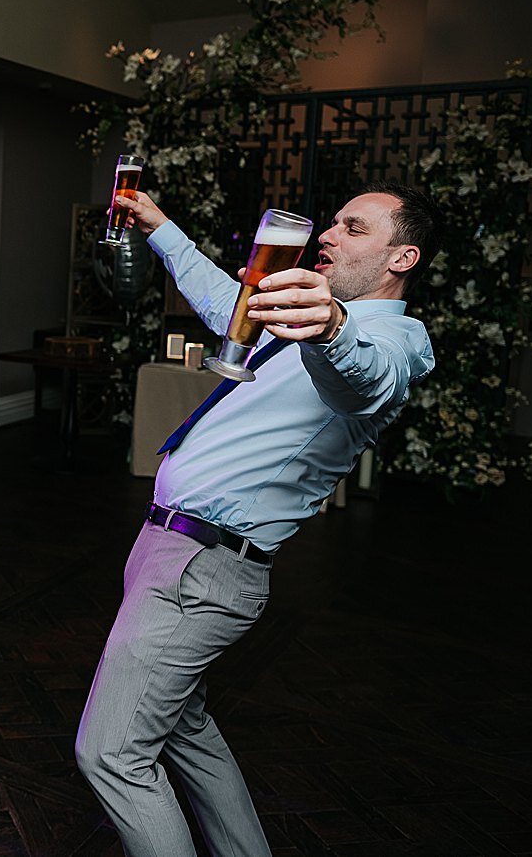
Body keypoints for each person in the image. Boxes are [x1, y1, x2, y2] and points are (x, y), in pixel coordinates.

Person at [74, 185, 437, 857]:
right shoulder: (300, 318)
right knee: (184, 729)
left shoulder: (393, 339)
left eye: (353, 228)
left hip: (202, 567)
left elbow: (366, 378)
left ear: (402, 256)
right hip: (173, 550)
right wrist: (158, 225)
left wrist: (330, 326)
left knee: (112, 755)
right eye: (332, 223)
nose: (328, 235)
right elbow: (227, 305)